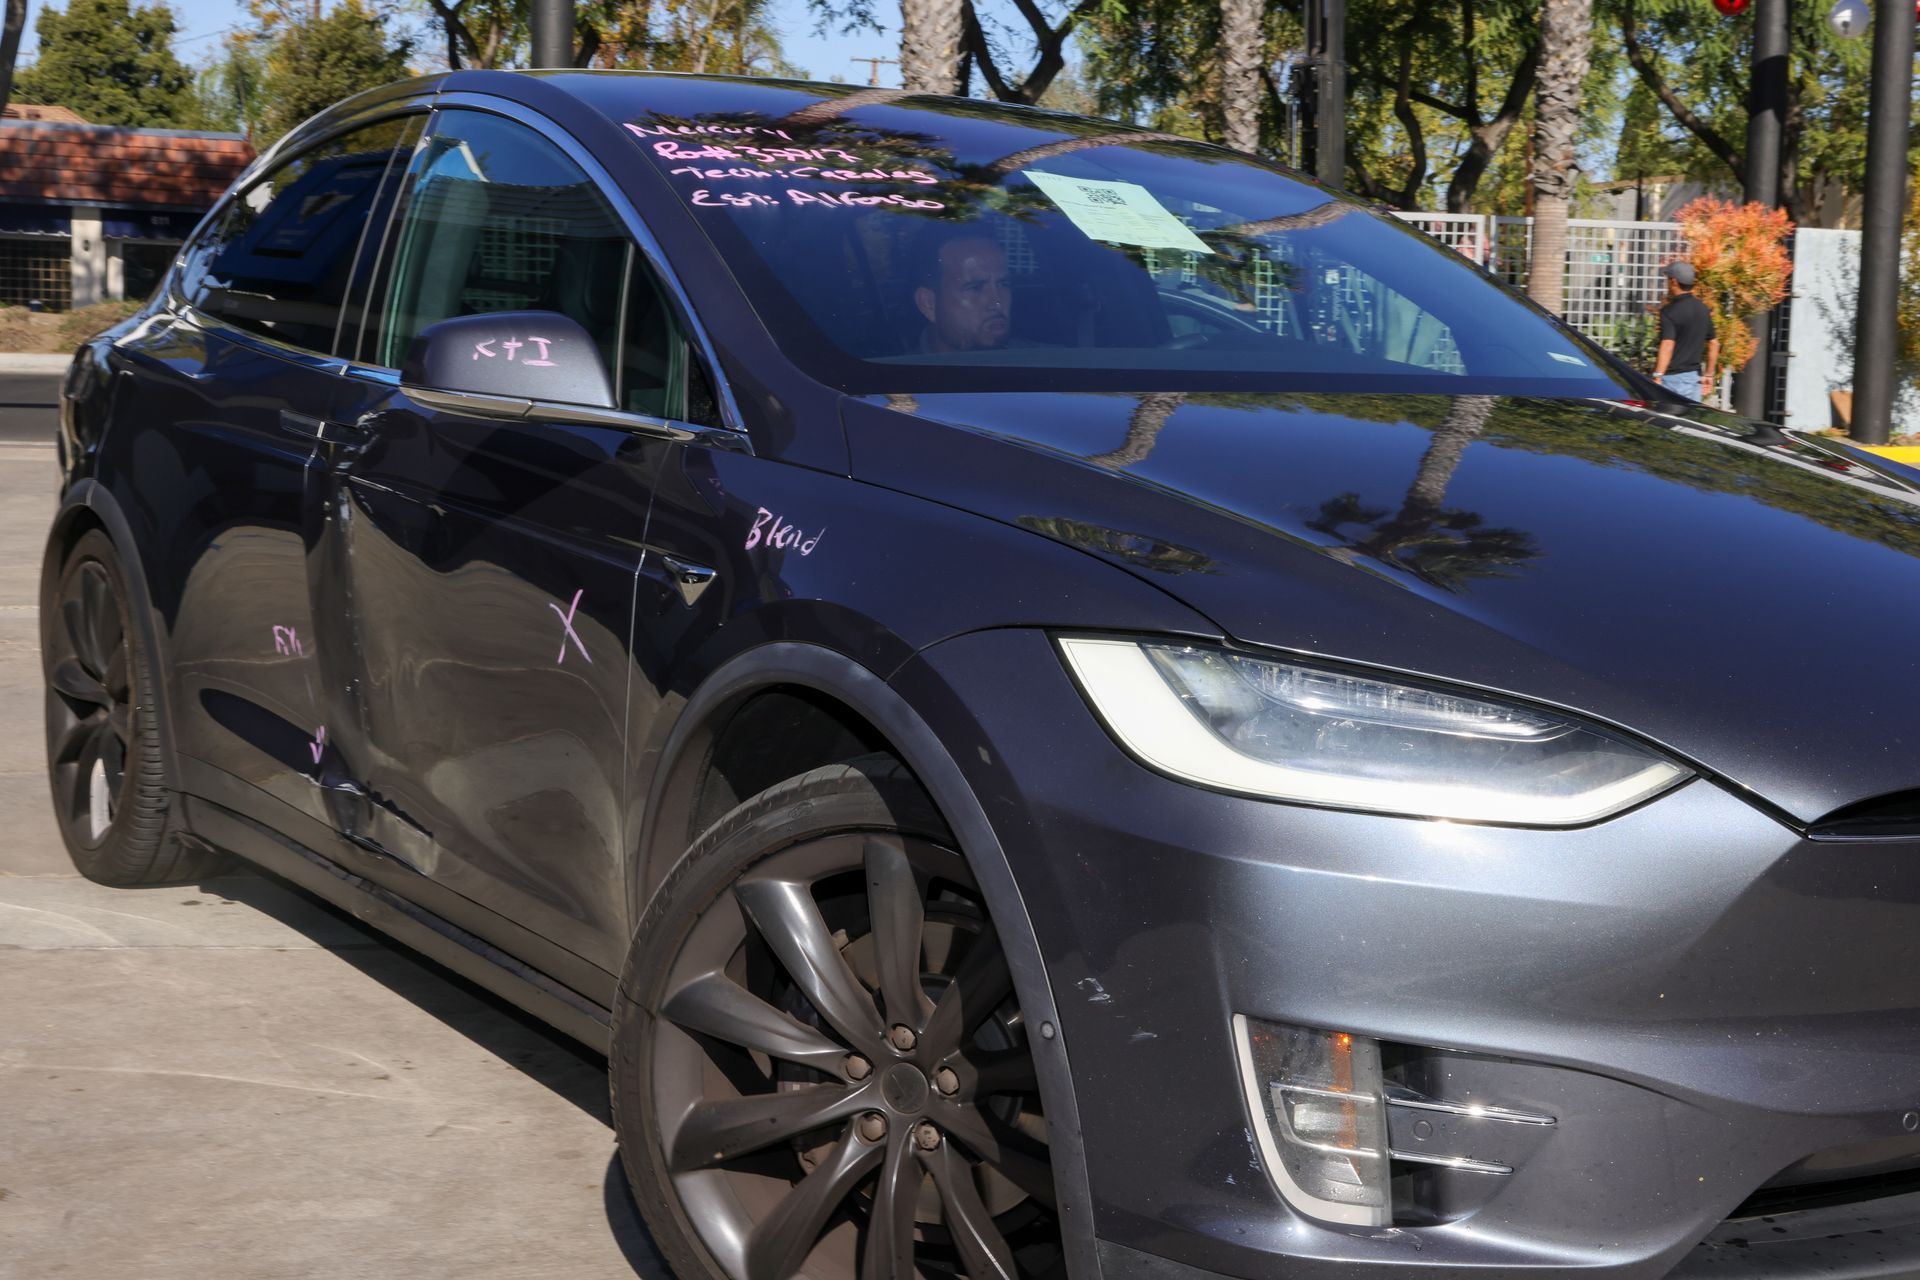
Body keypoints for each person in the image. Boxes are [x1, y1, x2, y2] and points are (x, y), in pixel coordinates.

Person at [912, 231, 1015, 353]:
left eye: (1003, 284)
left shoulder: (1036, 361)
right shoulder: (894, 369)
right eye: (975, 288)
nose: (997, 303)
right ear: (929, 303)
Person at [1651, 261, 1718, 404]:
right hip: (1694, 379)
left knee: (1667, 422)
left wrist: (1657, 375)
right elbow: (1714, 344)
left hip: (1672, 380)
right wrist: (1709, 375)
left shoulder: (1669, 312)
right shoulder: (1703, 309)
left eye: (1668, 279)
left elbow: (1667, 344)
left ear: (1674, 281)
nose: (1667, 283)